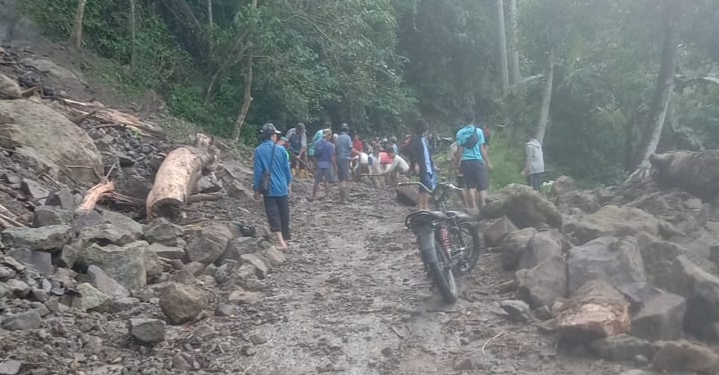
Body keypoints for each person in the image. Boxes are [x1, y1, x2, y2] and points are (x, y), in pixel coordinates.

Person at [253, 123, 292, 250]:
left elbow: (258, 172)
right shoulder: (281, 150)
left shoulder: (258, 151)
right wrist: (289, 184)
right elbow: (287, 169)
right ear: (273, 136)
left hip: (268, 189)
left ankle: (281, 242)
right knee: (284, 213)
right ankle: (285, 240)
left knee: (273, 215)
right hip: (282, 187)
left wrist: (257, 190)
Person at [454, 109, 491, 213]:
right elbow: (482, 150)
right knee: (482, 186)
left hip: (465, 162)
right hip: (477, 161)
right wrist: (488, 162)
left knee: (470, 185)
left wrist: (456, 165)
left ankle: (473, 208)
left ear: (464, 120)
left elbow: (459, 151)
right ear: (473, 119)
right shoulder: (479, 132)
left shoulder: (460, 133)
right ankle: (483, 206)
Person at [407, 118, 437, 211]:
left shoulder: (423, 139)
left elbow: (427, 154)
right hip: (422, 166)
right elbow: (412, 152)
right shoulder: (415, 139)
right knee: (427, 186)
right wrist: (415, 164)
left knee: (423, 187)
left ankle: (421, 207)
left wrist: (433, 164)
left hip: (427, 165)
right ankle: (425, 206)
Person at [311, 129, 335, 201]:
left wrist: (315, 165)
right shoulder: (330, 145)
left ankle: (313, 196)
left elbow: (315, 156)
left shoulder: (317, 143)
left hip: (319, 164)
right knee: (327, 181)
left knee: (317, 181)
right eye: (330, 135)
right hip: (327, 164)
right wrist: (335, 166)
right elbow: (332, 157)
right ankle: (327, 196)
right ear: (328, 135)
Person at [335, 123, 356, 203]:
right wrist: (359, 153)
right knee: (344, 179)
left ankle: (346, 196)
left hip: (339, 159)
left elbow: (337, 150)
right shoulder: (347, 137)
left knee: (342, 179)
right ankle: (343, 199)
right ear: (347, 130)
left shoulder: (338, 138)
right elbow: (351, 148)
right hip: (344, 159)